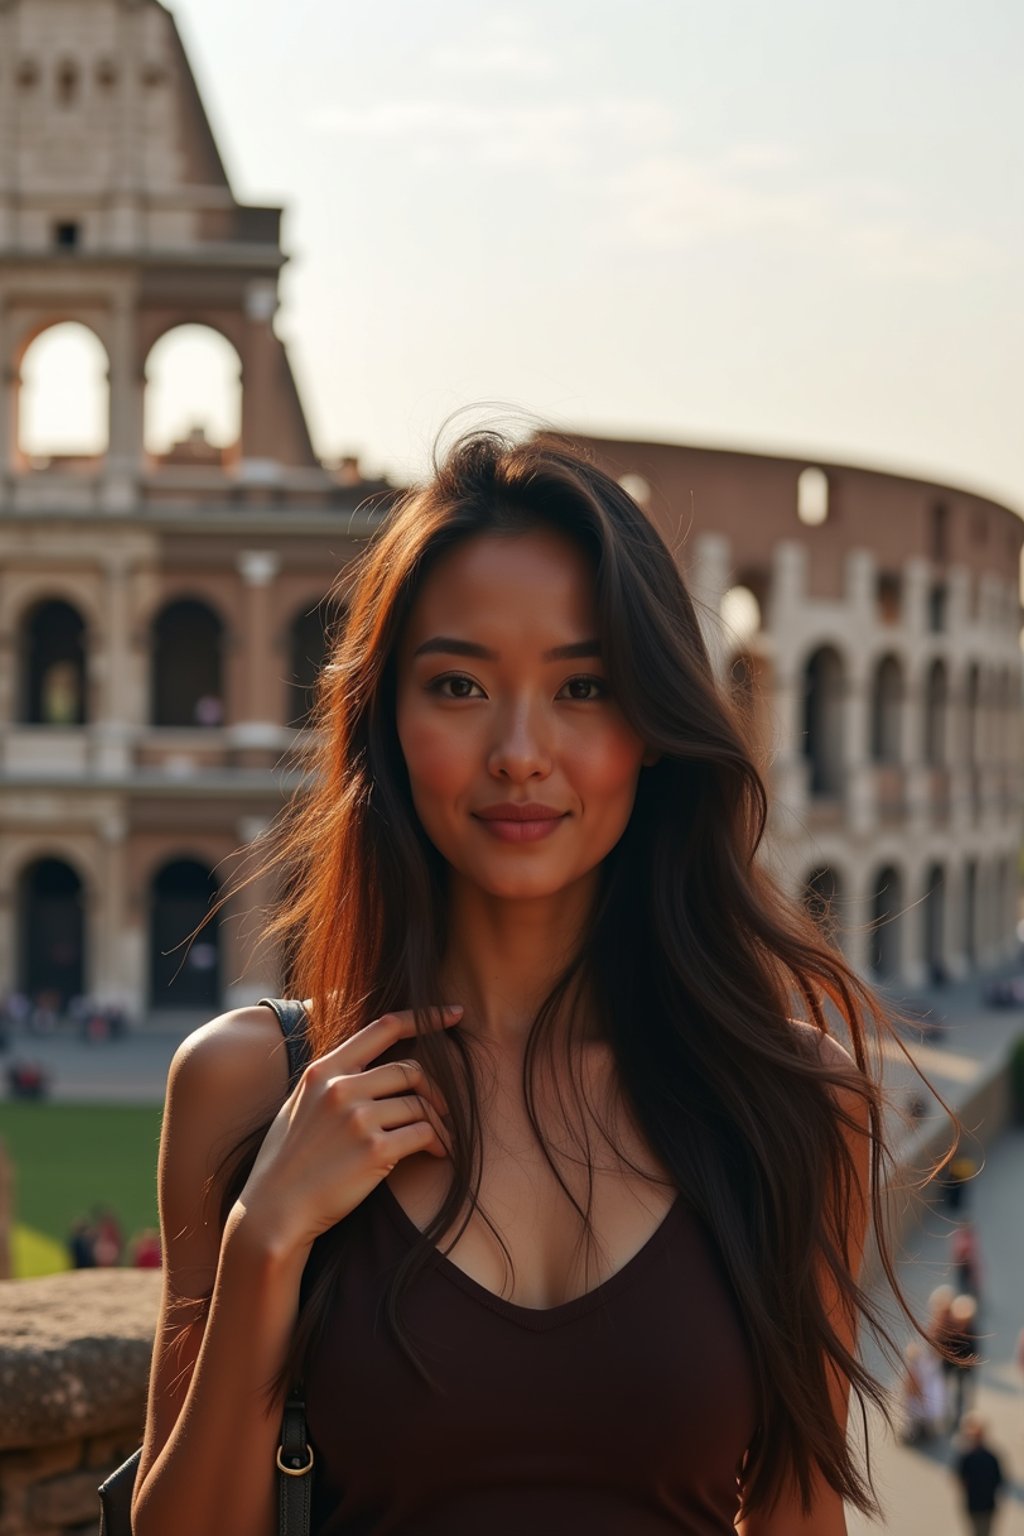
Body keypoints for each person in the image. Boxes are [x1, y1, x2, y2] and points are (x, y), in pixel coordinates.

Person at [131, 426, 953, 1536]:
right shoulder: (251, 1088)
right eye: (460, 684)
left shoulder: (790, 1103)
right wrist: (262, 1241)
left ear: (653, 731)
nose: (520, 750)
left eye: (584, 687)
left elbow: (799, 1517)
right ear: (386, 723)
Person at [953, 1411, 1005, 1536]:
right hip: (987, 1505)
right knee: (984, 1532)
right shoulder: (991, 1457)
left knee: (976, 1531)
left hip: (974, 1504)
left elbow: (960, 1479)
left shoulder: (966, 1457)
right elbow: (999, 1480)